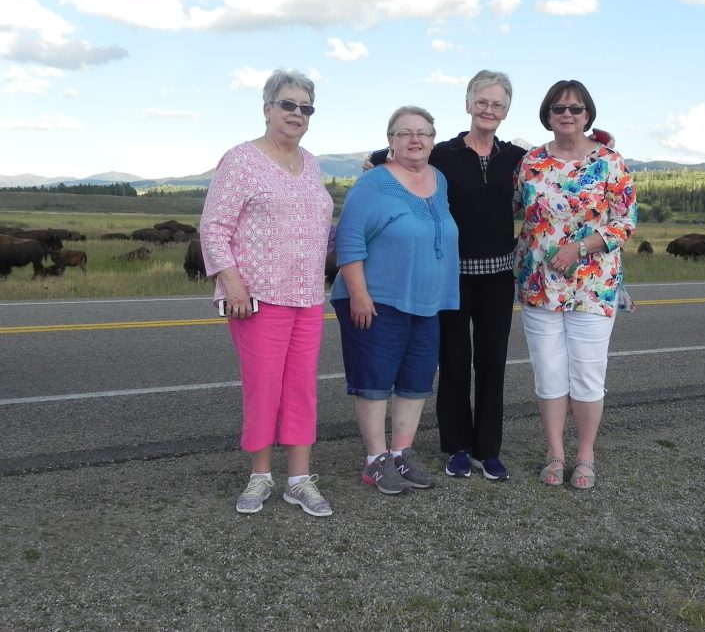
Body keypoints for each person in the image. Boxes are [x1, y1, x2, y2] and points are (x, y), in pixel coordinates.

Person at [366, 70, 615, 482]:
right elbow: (406, 157)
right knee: (454, 362)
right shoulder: (443, 154)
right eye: (482, 101)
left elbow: (568, 169)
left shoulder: (518, 160)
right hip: (450, 277)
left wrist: (602, 140)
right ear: (468, 104)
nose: (488, 109)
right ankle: (458, 447)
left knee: (491, 363)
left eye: (497, 104)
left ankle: (488, 449)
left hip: (499, 276)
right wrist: (376, 158)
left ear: (506, 111)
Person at [199, 69, 335, 516]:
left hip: (308, 296)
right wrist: (232, 282)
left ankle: (299, 479)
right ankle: (260, 476)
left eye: (305, 107)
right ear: (267, 108)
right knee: (263, 387)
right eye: (288, 104)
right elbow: (214, 227)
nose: (297, 113)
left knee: (301, 388)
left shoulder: (311, 162)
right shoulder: (240, 160)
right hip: (258, 298)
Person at [513, 79, 637, 489]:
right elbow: (509, 205)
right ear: (547, 115)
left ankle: (585, 454)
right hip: (538, 284)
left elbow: (625, 223)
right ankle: (554, 453)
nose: (567, 114)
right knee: (548, 372)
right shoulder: (530, 162)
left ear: (588, 115)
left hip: (593, 285)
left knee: (586, 373)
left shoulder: (610, 161)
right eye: (558, 108)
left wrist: (579, 248)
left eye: (576, 108)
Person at [332, 106, 459, 495]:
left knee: (416, 381)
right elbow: (348, 240)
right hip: (376, 299)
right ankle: (375, 459)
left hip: (427, 301)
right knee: (374, 382)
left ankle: (401, 453)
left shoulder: (439, 179)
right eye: (405, 133)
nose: (415, 140)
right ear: (391, 141)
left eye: (423, 133)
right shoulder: (373, 184)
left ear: (433, 140)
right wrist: (358, 294)